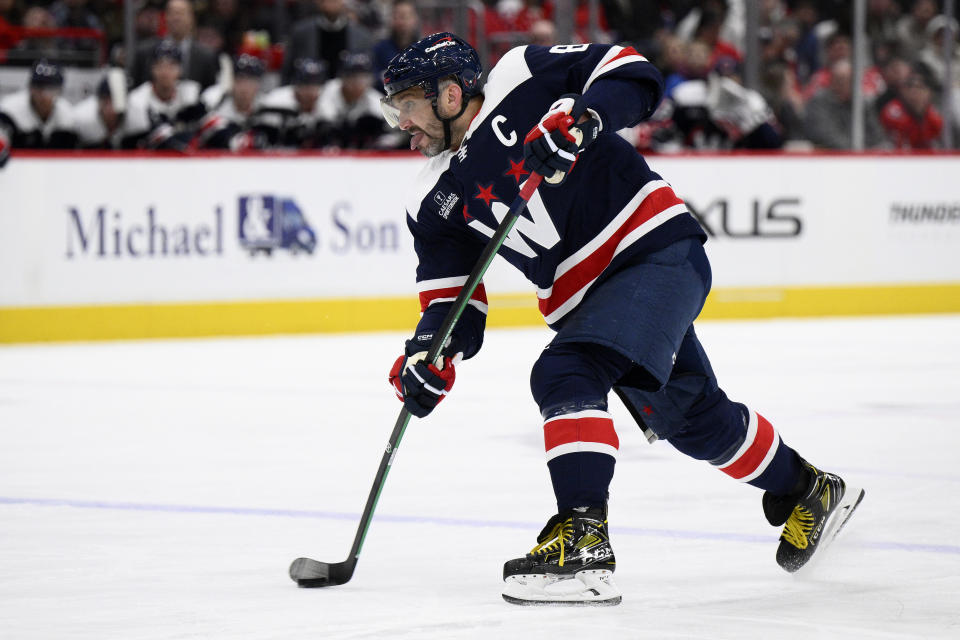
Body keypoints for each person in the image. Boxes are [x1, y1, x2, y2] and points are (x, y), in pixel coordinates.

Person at [381, 32, 866, 606]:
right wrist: (427, 354)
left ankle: (583, 541)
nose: (400, 123)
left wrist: (585, 119)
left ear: (451, 93)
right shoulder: (429, 196)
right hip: (596, 300)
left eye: (407, 105)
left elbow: (634, 72)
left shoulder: (521, 75)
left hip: (652, 252)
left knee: (566, 373)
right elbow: (453, 301)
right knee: (693, 419)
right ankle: (810, 491)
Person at [123, 40, 205, 149]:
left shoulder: (191, 93)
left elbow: (205, 133)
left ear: (180, 70)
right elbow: (142, 143)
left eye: (171, 66)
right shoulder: (137, 99)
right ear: (152, 69)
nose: (165, 72)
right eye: (160, 65)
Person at [131, 0, 219, 89]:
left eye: (181, 13)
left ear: (192, 18)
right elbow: (136, 89)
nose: (176, 18)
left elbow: (211, 92)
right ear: (165, 17)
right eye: (172, 13)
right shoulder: (145, 52)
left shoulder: (206, 56)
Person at [281, 0, 373, 84]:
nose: (330, 3)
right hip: (310, 94)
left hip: (347, 94)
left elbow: (367, 73)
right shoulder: (301, 32)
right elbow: (288, 70)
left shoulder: (361, 35)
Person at [0, 59, 77, 155]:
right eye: (39, 87)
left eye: (50, 89)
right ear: (30, 88)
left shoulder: (67, 115)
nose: (44, 95)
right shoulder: (10, 111)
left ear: (60, 91)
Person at [72, 68, 126, 149]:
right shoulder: (81, 117)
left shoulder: (135, 115)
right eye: (108, 101)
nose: (112, 107)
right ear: (100, 101)